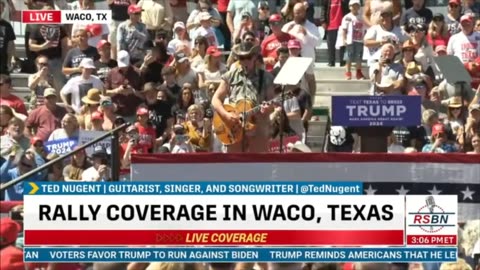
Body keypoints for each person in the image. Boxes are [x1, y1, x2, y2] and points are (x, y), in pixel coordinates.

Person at [211, 42, 275, 153]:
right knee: (234, 164)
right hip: (234, 126)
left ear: (255, 57)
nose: (245, 61)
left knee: (260, 163)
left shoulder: (266, 77)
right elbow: (215, 99)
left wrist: (267, 109)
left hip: (258, 125)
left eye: (248, 57)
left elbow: (272, 104)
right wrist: (225, 115)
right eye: (241, 58)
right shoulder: (230, 75)